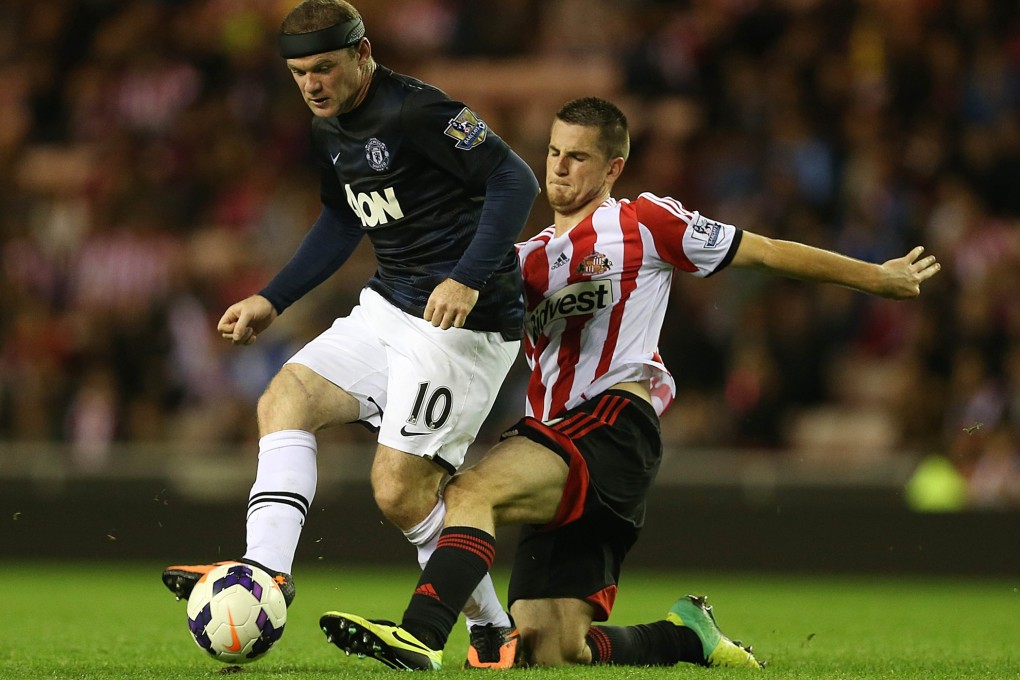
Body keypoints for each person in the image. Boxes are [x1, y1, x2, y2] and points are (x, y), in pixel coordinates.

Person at [317, 97, 942, 670]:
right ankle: (685, 634)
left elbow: (768, 251)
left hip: (614, 422)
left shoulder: (644, 222)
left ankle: (420, 635)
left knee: (472, 491)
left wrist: (875, 277)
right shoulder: (520, 260)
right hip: (555, 436)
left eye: (579, 157)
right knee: (553, 649)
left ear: (613, 167)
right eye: (554, 153)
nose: (560, 169)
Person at [160, 0, 539, 668]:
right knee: (286, 397)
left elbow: (515, 177)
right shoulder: (325, 127)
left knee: (399, 492)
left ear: (362, 54)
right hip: (389, 306)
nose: (311, 84)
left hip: (463, 324)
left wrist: (470, 276)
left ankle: (488, 628)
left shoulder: (416, 110)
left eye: (325, 68)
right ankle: (265, 572)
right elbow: (342, 220)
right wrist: (271, 299)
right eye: (300, 72)